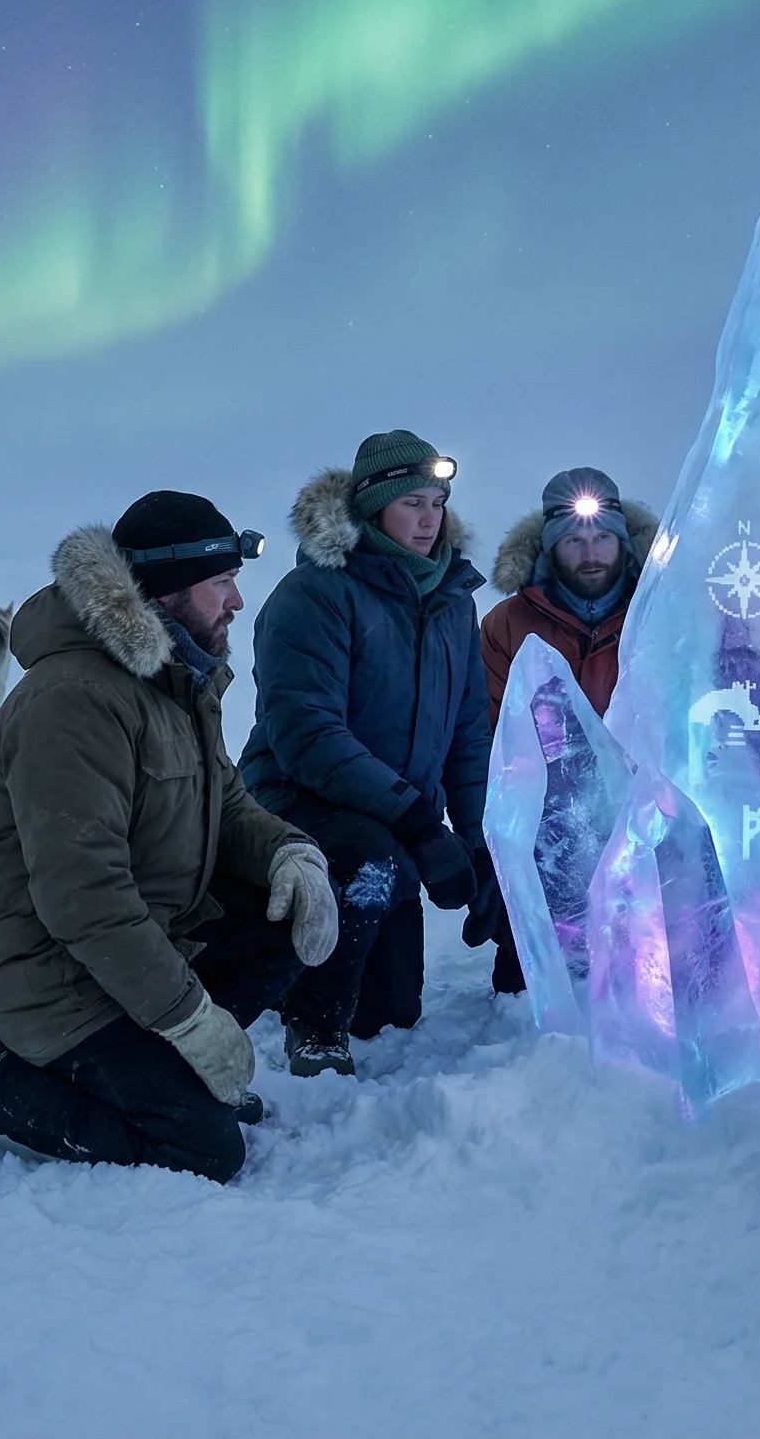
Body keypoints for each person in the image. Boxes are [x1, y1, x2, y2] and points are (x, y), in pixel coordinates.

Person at [0, 492, 342, 1183]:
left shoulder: (177, 679)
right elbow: (82, 897)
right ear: (164, 594)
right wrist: (190, 1017)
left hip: (138, 945)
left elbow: (226, 806)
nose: (236, 603)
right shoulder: (73, 702)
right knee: (206, 1151)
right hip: (54, 975)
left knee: (276, 913)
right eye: (220, 584)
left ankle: (169, 1077)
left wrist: (292, 854)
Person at [239, 430, 495, 1077]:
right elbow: (307, 736)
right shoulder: (316, 595)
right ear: (372, 507)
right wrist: (416, 823)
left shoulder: (453, 604)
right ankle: (312, 1026)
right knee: (369, 866)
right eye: (412, 502)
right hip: (302, 805)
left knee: (390, 1011)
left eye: (438, 502)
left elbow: (468, 735)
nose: (429, 518)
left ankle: (321, 976)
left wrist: (482, 841)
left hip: (393, 817)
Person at [477, 467, 657, 991]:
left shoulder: (658, 614)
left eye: (603, 537)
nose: (591, 553)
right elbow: (485, 729)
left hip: (642, 809)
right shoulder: (508, 623)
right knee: (525, 984)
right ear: (550, 548)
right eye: (574, 540)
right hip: (547, 825)